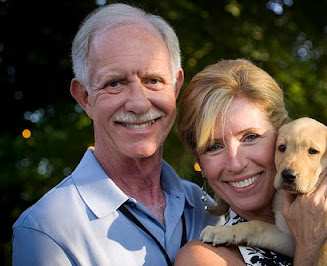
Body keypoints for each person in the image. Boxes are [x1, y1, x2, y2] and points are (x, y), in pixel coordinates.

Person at [12, 3, 222, 265]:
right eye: (114, 83)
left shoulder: (208, 208)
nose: (139, 103)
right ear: (84, 97)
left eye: (153, 81)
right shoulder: (47, 229)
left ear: (176, 86)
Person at [175, 58, 327, 265]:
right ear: (200, 163)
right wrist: (309, 246)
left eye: (251, 137)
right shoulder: (205, 258)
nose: (236, 164)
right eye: (213, 147)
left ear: (281, 133)